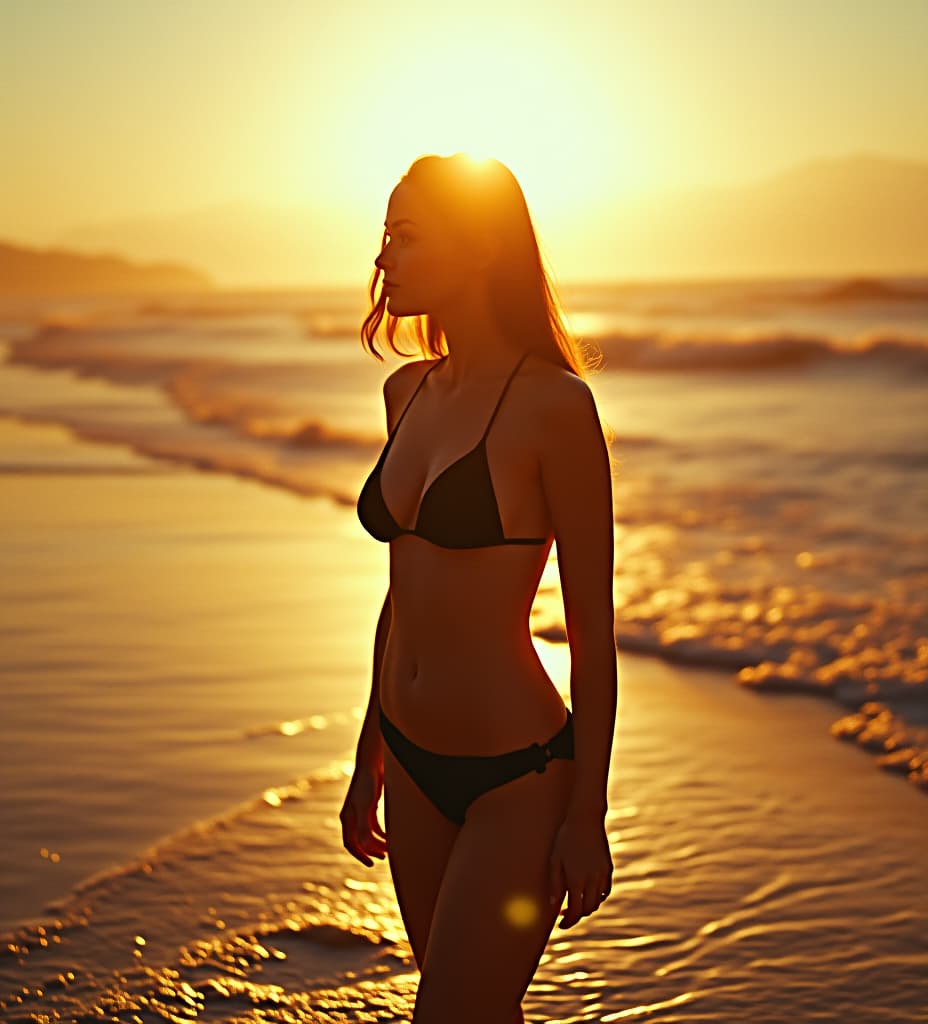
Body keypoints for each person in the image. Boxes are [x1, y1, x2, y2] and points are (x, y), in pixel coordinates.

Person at [341, 152, 617, 1024]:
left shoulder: (555, 409)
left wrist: (588, 815)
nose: (386, 258)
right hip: (411, 762)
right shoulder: (405, 393)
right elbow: (404, 594)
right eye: (385, 235)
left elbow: (593, 629)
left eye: (408, 236)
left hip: (518, 778)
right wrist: (367, 757)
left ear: (483, 249)